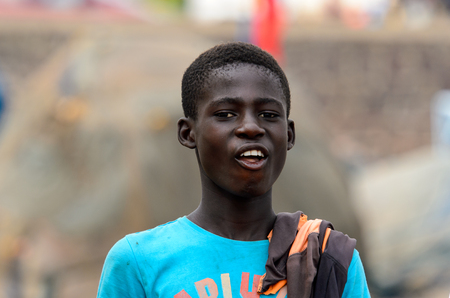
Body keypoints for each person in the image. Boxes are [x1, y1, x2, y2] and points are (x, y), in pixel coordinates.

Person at [96, 42, 370, 298]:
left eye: (269, 115)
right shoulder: (138, 260)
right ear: (188, 133)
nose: (251, 127)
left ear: (288, 135)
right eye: (226, 114)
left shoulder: (326, 258)